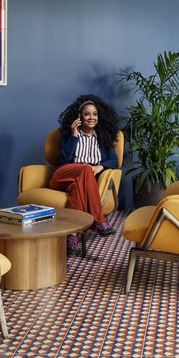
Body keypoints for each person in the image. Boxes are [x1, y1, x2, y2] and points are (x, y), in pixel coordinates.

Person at [50, 94, 120, 255]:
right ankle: (100, 221)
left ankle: (72, 235)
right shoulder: (68, 134)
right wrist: (74, 135)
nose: (91, 117)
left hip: (80, 181)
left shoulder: (103, 139)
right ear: (79, 116)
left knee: (77, 188)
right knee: (86, 168)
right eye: (87, 114)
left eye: (94, 114)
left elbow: (114, 161)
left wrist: (100, 167)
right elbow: (62, 160)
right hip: (61, 176)